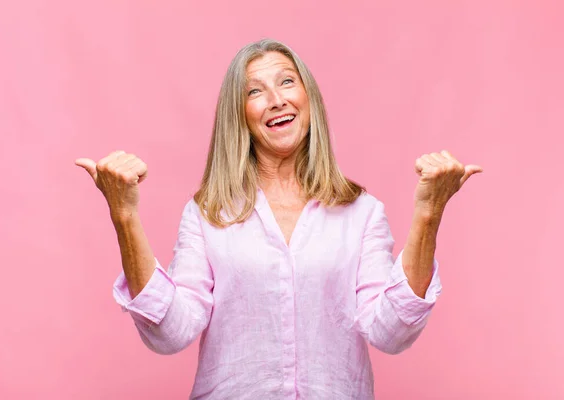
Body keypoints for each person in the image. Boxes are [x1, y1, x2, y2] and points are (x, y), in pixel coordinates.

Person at [75, 39, 482, 399]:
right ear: (241, 116)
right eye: (256, 90)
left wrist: (429, 214)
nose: (276, 99)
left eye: (287, 81)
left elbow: (391, 332)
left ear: (309, 98)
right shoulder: (207, 214)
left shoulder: (362, 213)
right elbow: (170, 332)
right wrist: (124, 215)